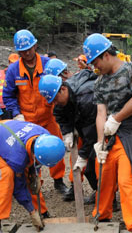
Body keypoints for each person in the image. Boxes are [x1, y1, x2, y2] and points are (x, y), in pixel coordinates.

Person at [83, 33, 132, 233]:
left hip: (131, 133)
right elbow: (100, 113)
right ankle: (103, 214)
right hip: (110, 135)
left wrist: (117, 119)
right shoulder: (100, 82)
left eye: (95, 62)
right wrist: (99, 144)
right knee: (102, 174)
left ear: (105, 55)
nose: (95, 67)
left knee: (127, 180)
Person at [0, 120, 65, 233]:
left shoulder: (44, 136)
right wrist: (31, 211)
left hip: (3, 133)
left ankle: (41, 212)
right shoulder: (17, 158)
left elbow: (31, 157)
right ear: (35, 154)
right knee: (6, 173)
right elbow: (18, 188)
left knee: (28, 177)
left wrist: (34, 171)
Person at [2, 29, 69, 197]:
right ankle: (34, 183)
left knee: (56, 147)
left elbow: (62, 87)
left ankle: (59, 180)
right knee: (29, 154)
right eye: (22, 50)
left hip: (49, 116)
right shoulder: (13, 70)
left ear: (35, 45)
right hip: (27, 121)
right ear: (18, 51)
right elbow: (8, 95)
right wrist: (16, 113)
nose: (27, 52)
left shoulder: (48, 65)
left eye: (29, 48)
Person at [39, 71, 99, 204]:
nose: (55, 103)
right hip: (89, 128)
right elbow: (59, 114)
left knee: (100, 166)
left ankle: (109, 198)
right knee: (90, 170)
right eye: (52, 100)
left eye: (55, 99)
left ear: (63, 89)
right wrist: (67, 132)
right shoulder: (63, 99)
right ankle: (101, 193)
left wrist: (82, 155)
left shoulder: (86, 98)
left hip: (104, 130)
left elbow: (92, 134)